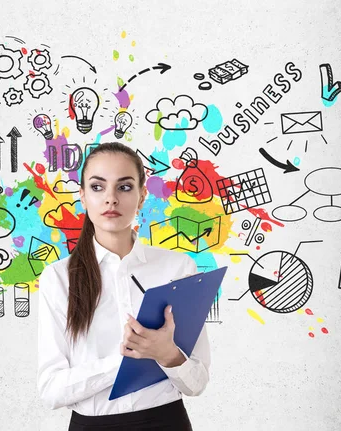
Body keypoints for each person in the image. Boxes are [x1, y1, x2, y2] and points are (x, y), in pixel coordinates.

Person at [37, 142, 211, 430]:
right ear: (82, 196)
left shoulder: (178, 269)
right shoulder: (57, 278)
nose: (110, 199)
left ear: (142, 196)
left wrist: (167, 354)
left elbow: (197, 383)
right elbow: (51, 390)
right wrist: (125, 360)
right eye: (97, 187)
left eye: (124, 187)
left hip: (166, 421)